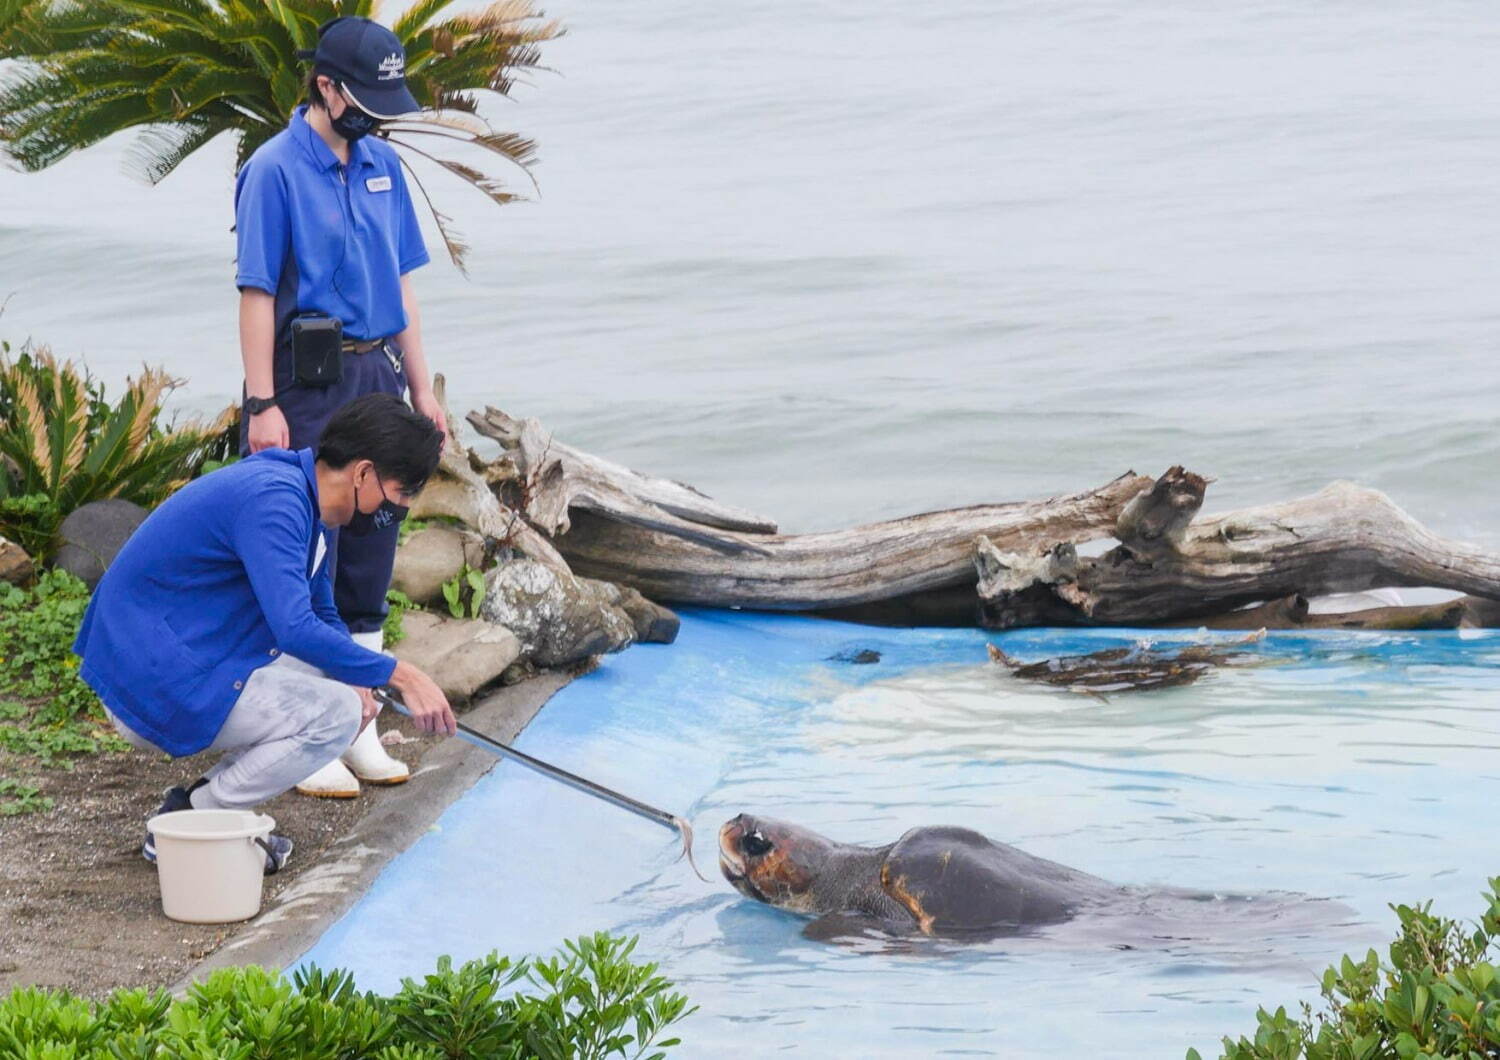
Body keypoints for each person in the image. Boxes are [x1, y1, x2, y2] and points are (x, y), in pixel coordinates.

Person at [73, 395, 457, 872]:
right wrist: (401, 674)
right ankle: (196, 820)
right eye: (396, 500)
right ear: (362, 473)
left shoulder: (307, 498)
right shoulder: (275, 501)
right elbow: (293, 628)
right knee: (334, 715)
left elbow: (319, 611)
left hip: (175, 655)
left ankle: (198, 810)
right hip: (152, 678)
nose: (391, 516)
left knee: (342, 690)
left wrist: (361, 678)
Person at [233, 15, 449, 797]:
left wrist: (422, 387)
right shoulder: (273, 170)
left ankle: (357, 727)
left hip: (377, 374)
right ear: (326, 86)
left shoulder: (384, 164)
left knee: (373, 543)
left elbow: (403, 287)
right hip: (303, 383)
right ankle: (308, 729)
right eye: (368, 96)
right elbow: (257, 291)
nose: (378, 113)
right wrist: (263, 401)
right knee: (307, 550)